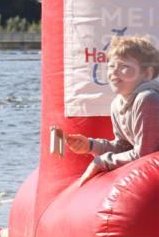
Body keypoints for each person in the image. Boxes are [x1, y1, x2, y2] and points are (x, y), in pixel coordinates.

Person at [65, 35, 159, 185]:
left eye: (124, 66)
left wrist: (102, 162)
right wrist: (91, 145)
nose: (114, 72)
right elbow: (124, 147)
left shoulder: (148, 99)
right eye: (111, 66)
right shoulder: (117, 104)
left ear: (147, 73)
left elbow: (145, 155)